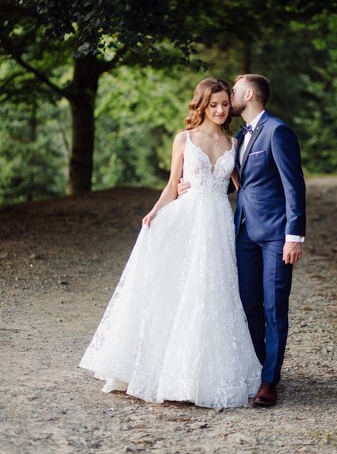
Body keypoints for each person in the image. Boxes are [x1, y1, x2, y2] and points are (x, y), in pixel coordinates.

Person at [79, 77, 261, 409]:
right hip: (187, 219)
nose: (220, 110)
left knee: (211, 292)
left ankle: (200, 375)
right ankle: (161, 369)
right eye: (213, 104)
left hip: (218, 221)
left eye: (224, 104)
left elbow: (244, 186)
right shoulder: (184, 138)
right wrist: (153, 212)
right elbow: (171, 185)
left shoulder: (233, 144)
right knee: (176, 289)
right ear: (202, 105)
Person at [179, 74, 306, 407]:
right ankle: (257, 368)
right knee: (247, 305)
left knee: (273, 306)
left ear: (248, 94)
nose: (228, 98)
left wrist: (294, 236)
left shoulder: (278, 132)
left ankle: (269, 382)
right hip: (243, 232)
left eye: (232, 93)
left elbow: (294, 187)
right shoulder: (237, 136)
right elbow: (240, 182)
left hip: (277, 236)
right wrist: (190, 184)